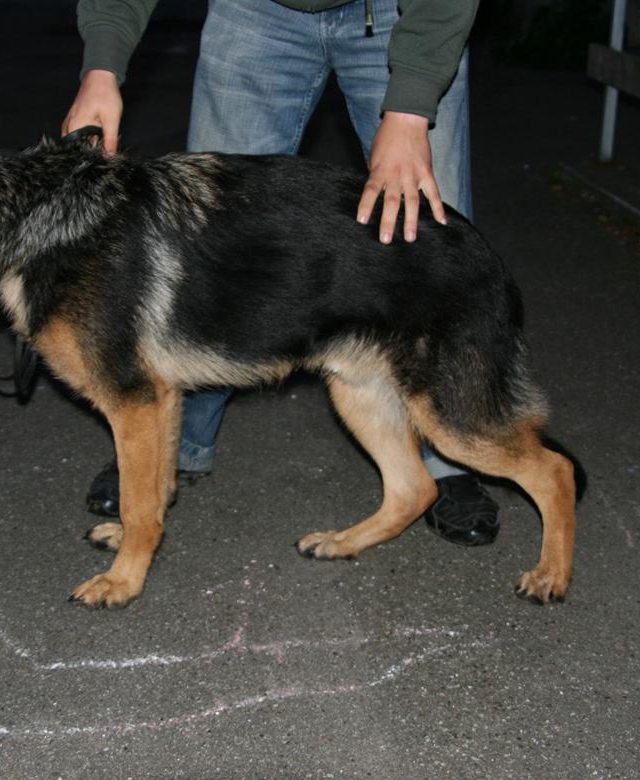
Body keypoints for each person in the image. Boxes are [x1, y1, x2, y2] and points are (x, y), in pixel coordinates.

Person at [62, 0, 499, 546]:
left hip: (400, 14)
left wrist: (412, 108)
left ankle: (448, 463)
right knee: (207, 263)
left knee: (434, 243)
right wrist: (102, 67)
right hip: (256, 13)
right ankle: (165, 455)